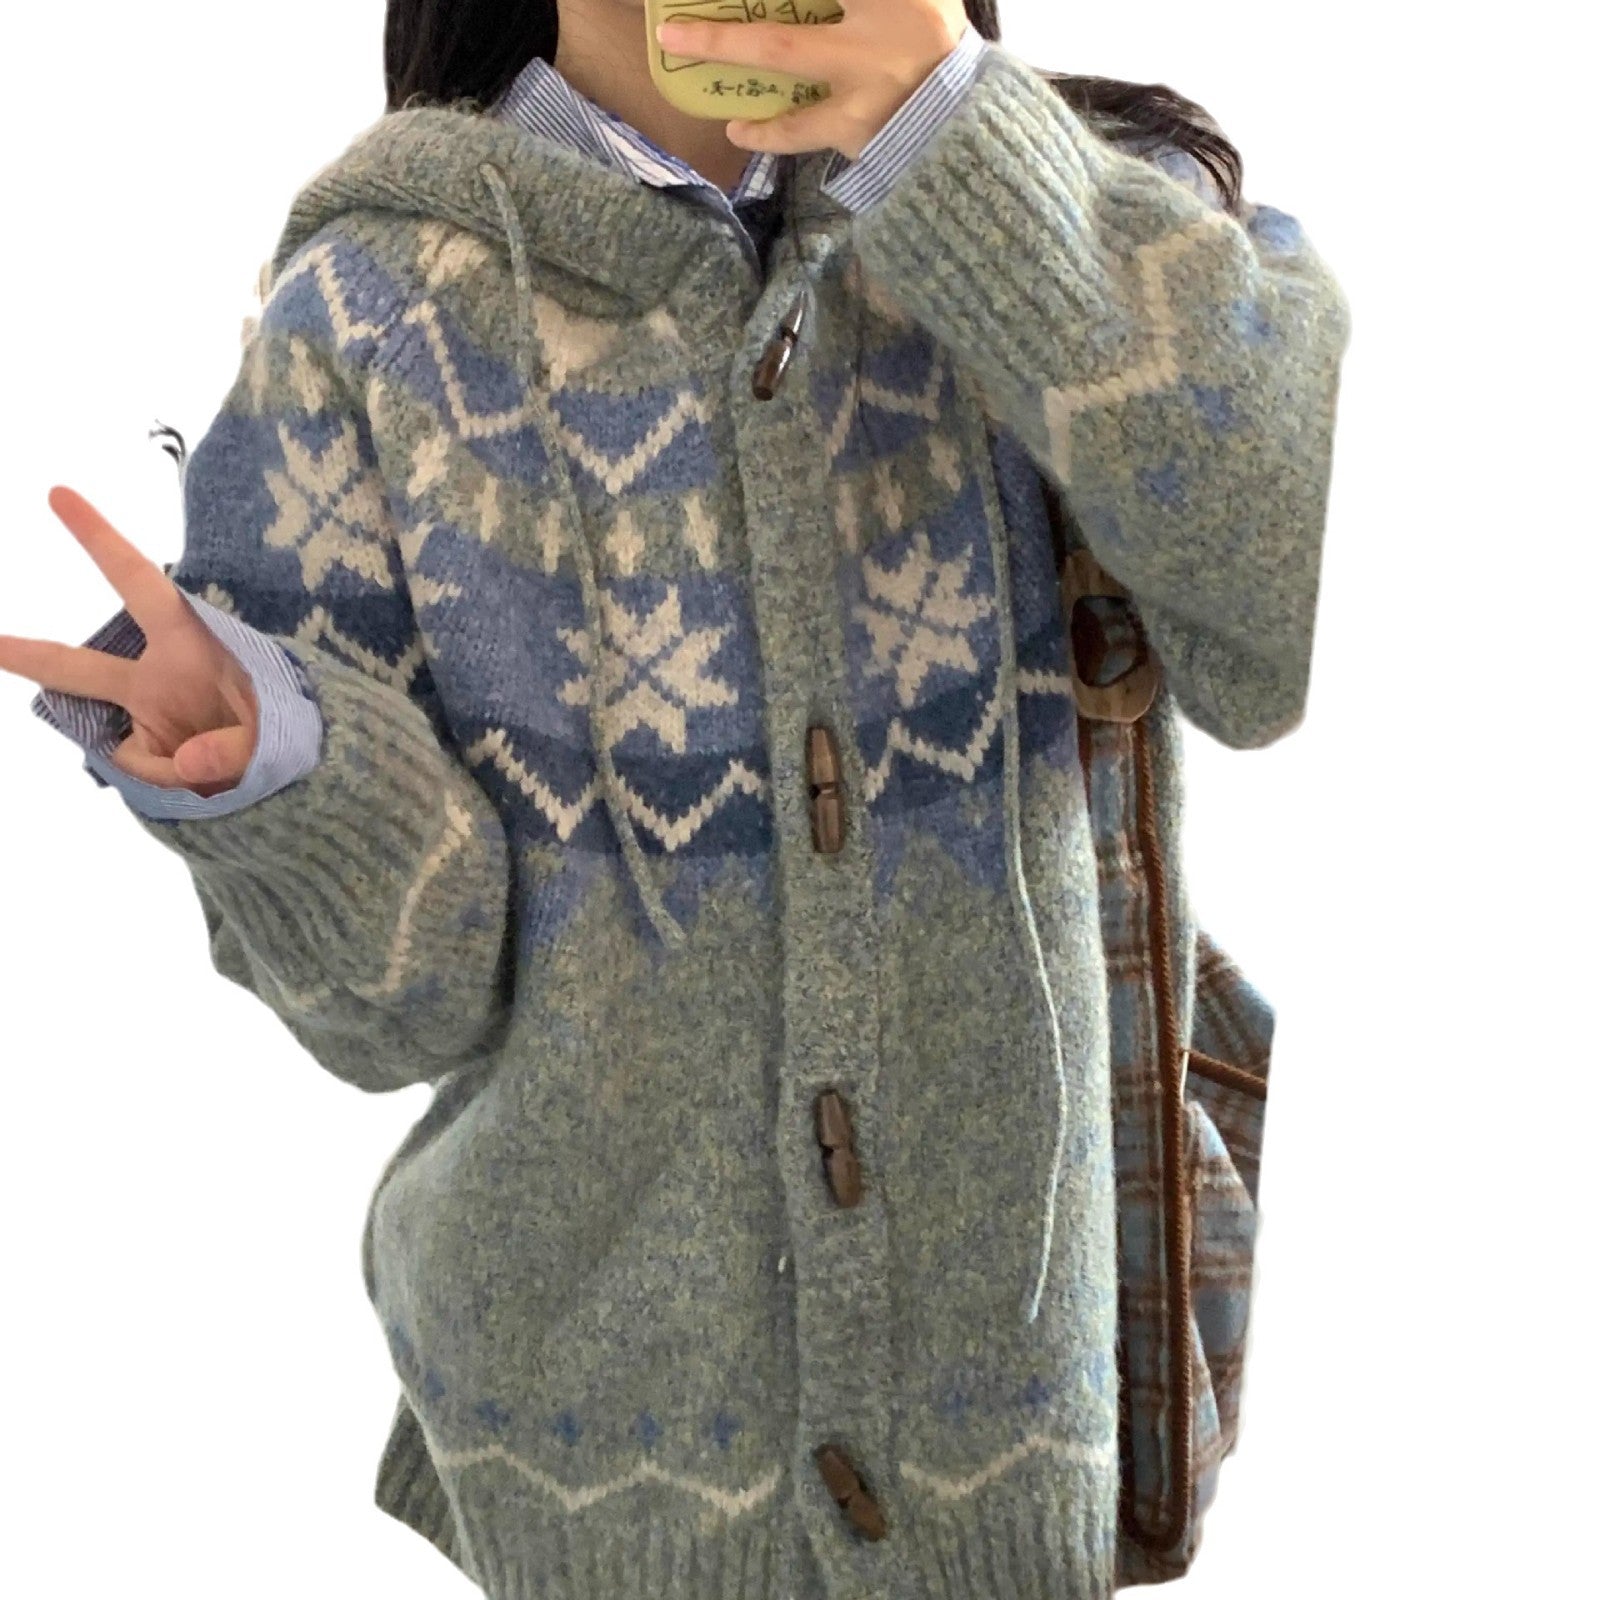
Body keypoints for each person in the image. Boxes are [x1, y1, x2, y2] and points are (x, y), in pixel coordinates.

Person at [0, 3, 1351, 1596]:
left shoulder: (1099, 195)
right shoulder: (365, 316)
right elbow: (401, 1010)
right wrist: (288, 783)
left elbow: (1278, 631)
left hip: (1022, 1445)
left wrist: (957, 140)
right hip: (587, 1480)